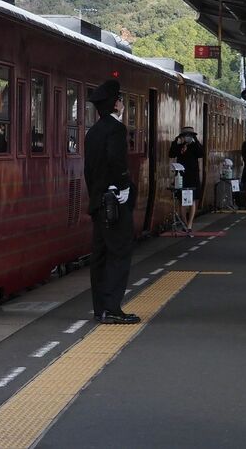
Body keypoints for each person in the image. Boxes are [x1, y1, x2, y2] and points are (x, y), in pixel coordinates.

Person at [84, 79, 140, 325]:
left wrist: (97, 193)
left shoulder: (92, 132)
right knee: (118, 254)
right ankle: (112, 307)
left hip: (98, 202)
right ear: (115, 104)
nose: (121, 104)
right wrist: (124, 186)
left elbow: (89, 170)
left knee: (100, 257)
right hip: (115, 202)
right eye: (119, 100)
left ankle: (100, 309)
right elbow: (117, 161)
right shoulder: (116, 130)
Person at [168, 126, 204, 232]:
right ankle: (184, 222)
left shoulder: (195, 146)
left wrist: (196, 140)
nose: (187, 137)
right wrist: (175, 141)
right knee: (181, 200)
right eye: (185, 136)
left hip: (193, 175)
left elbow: (201, 154)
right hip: (181, 175)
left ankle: (190, 224)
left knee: (192, 199)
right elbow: (171, 154)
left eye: (190, 136)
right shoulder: (179, 147)